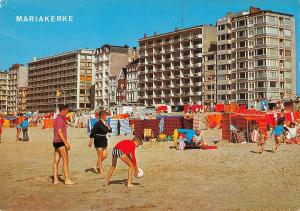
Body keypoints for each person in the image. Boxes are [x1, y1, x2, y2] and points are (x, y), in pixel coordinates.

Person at [52, 104, 75, 185]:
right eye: (66, 111)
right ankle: (67, 179)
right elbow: (59, 131)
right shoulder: (59, 119)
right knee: (66, 160)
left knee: (56, 161)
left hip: (55, 142)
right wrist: (66, 143)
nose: (67, 113)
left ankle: (55, 180)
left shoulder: (58, 118)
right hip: (60, 142)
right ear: (63, 110)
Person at [88, 110, 112, 175]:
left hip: (104, 139)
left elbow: (110, 131)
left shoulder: (106, 123)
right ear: (102, 116)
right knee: (100, 155)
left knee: (105, 156)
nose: (107, 117)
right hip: (98, 139)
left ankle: (96, 166)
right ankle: (100, 169)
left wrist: (108, 126)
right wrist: (90, 141)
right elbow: (92, 132)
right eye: (106, 115)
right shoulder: (97, 123)